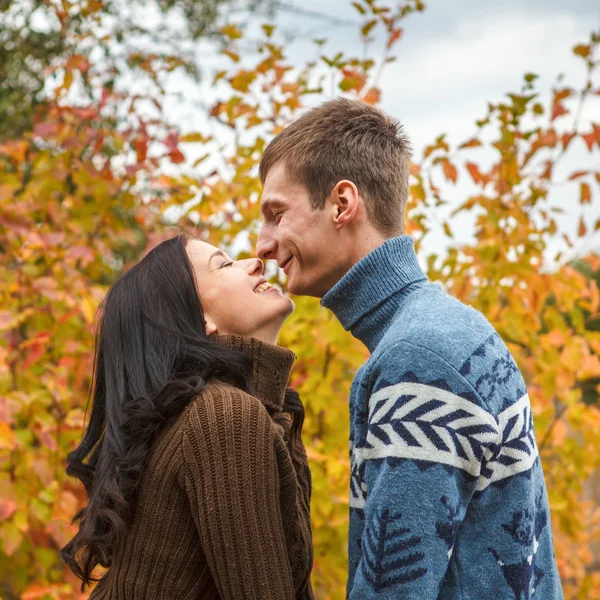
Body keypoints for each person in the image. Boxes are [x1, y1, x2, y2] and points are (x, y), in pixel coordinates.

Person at [256, 98, 563, 600]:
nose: (263, 244)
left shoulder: (419, 360)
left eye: (276, 214)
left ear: (341, 204)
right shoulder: (450, 330)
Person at [61, 234, 313, 599]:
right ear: (199, 319)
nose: (255, 262)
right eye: (224, 264)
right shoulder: (224, 416)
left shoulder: (231, 414)